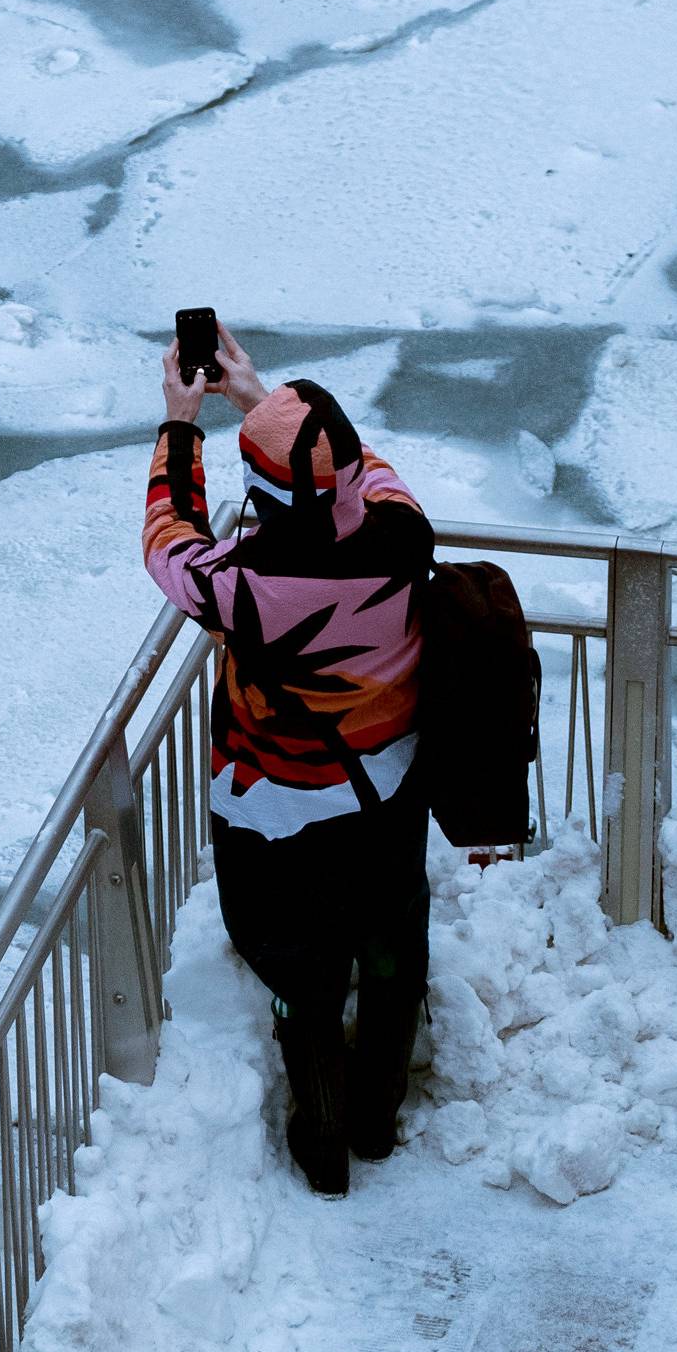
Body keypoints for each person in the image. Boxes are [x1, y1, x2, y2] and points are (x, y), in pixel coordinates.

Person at [142, 318, 433, 1196]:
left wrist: (183, 425)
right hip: (385, 787)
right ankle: (379, 1114)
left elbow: (170, 542)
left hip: (283, 809)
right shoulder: (401, 534)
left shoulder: (248, 587)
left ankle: (323, 1134)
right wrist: (263, 399)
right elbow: (361, 468)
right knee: (390, 945)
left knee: (302, 964)